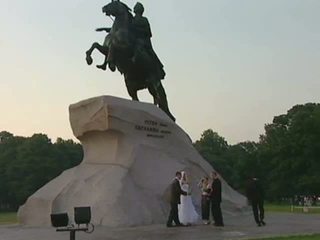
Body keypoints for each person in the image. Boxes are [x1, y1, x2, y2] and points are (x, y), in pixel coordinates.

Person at [131, 2, 165, 80]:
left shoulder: (144, 20)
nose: (135, 8)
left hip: (143, 41)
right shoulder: (132, 19)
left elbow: (149, 32)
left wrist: (137, 29)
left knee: (149, 52)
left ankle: (159, 69)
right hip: (133, 40)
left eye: (137, 7)